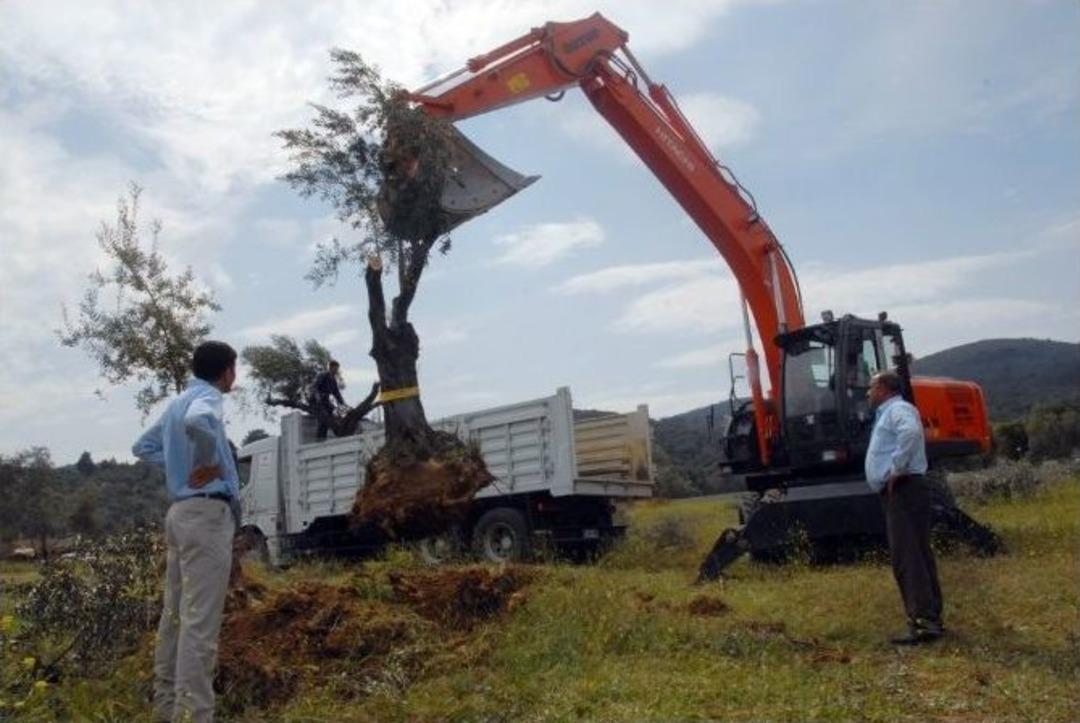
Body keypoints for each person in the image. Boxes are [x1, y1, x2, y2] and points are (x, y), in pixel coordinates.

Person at [132, 341, 240, 722]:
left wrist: (179, 464)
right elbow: (199, 424)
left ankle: (166, 710)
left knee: (174, 616)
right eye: (234, 369)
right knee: (200, 624)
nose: (234, 377)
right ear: (226, 371)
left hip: (179, 514)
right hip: (206, 514)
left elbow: (141, 446)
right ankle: (194, 716)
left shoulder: (176, 403)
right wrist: (207, 463)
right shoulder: (207, 399)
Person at [864, 369, 943, 645]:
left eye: (871, 387)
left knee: (907, 557)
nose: (868, 392)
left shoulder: (898, 409)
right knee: (917, 554)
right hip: (904, 489)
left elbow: (910, 433)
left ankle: (922, 623)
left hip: (903, 489)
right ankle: (930, 619)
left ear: (884, 388)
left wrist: (896, 469)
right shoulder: (890, 412)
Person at [311, 359, 346, 440]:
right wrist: (317, 397)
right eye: (335, 368)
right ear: (330, 367)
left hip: (325, 400)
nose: (336, 370)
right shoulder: (323, 375)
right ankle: (319, 438)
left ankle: (324, 437)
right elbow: (315, 387)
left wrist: (343, 403)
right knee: (324, 417)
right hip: (316, 400)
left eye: (337, 369)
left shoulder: (333, 380)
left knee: (331, 413)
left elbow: (336, 393)